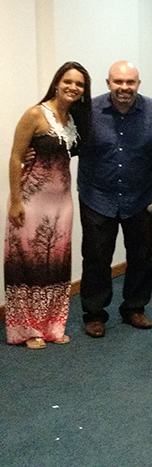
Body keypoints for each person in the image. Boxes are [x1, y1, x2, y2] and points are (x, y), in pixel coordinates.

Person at [77, 60, 152, 338]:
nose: (124, 87)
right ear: (108, 83)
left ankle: (134, 307)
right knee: (95, 257)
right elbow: (68, 143)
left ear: (138, 84)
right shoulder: (88, 112)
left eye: (130, 82)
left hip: (141, 197)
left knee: (141, 256)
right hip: (97, 196)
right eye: (118, 81)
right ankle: (94, 314)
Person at [5, 62, 92, 348]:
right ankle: (28, 330)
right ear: (57, 83)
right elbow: (16, 157)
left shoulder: (74, 118)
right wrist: (15, 201)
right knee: (28, 264)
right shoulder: (35, 114)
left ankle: (53, 325)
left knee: (57, 262)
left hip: (62, 201)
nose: (73, 87)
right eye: (68, 81)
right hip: (31, 200)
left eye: (79, 84)